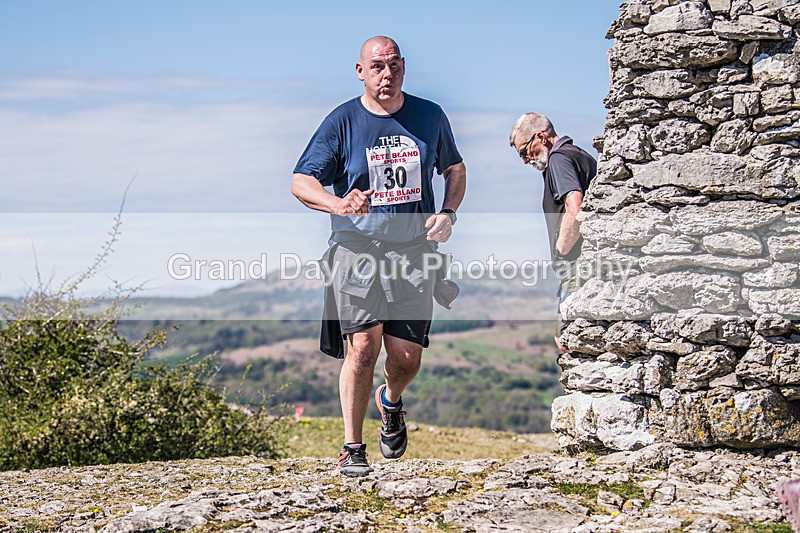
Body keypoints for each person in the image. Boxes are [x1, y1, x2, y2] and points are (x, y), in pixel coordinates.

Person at [291, 36, 466, 476]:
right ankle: (353, 446)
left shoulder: (430, 116)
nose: (386, 75)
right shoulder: (342, 121)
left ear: (403, 67)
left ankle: (390, 401)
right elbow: (301, 180)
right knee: (364, 347)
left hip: (412, 252)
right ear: (360, 71)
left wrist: (448, 212)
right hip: (356, 250)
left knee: (406, 358)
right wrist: (337, 204)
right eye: (377, 67)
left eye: (393, 66)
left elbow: (455, 169)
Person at [509, 113, 596, 352]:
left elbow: (575, 207)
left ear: (541, 137)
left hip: (578, 267)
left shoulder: (559, 159)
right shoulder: (579, 154)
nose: (525, 160)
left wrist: (561, 251)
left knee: (566, 338)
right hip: (591, 265)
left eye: (524, 152)